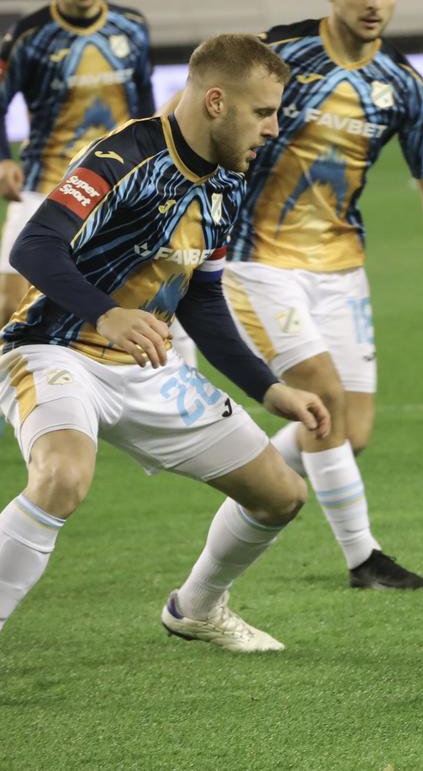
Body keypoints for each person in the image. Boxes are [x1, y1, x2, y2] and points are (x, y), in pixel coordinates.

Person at [0, 34, 331, 651]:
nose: (273, 128)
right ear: (215, 102)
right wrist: (108, 315)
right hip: (55, 349)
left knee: (280, 495)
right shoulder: (121, 155)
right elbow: (33, 246)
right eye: (263, 112)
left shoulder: (229, 183)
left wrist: (269, 387)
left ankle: (196, 608)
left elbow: (201, 300)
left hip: (147, 369)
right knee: (63, 477)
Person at [224, 0, 423, 590]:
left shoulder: (403, 85)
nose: (374, 1)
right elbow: (195, 116)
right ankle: (364, 558)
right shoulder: (281, 55)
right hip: (256, 259)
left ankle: (250, 478)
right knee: (323, 402)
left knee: (348, 431)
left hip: (341, 268)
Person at [0, 0, 154, 327]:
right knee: (7, 305)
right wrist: (2, 159)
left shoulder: (132, 27)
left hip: (118, 190)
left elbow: (146, 107)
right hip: (44, 186)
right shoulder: (28, 37)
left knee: (138, 300)